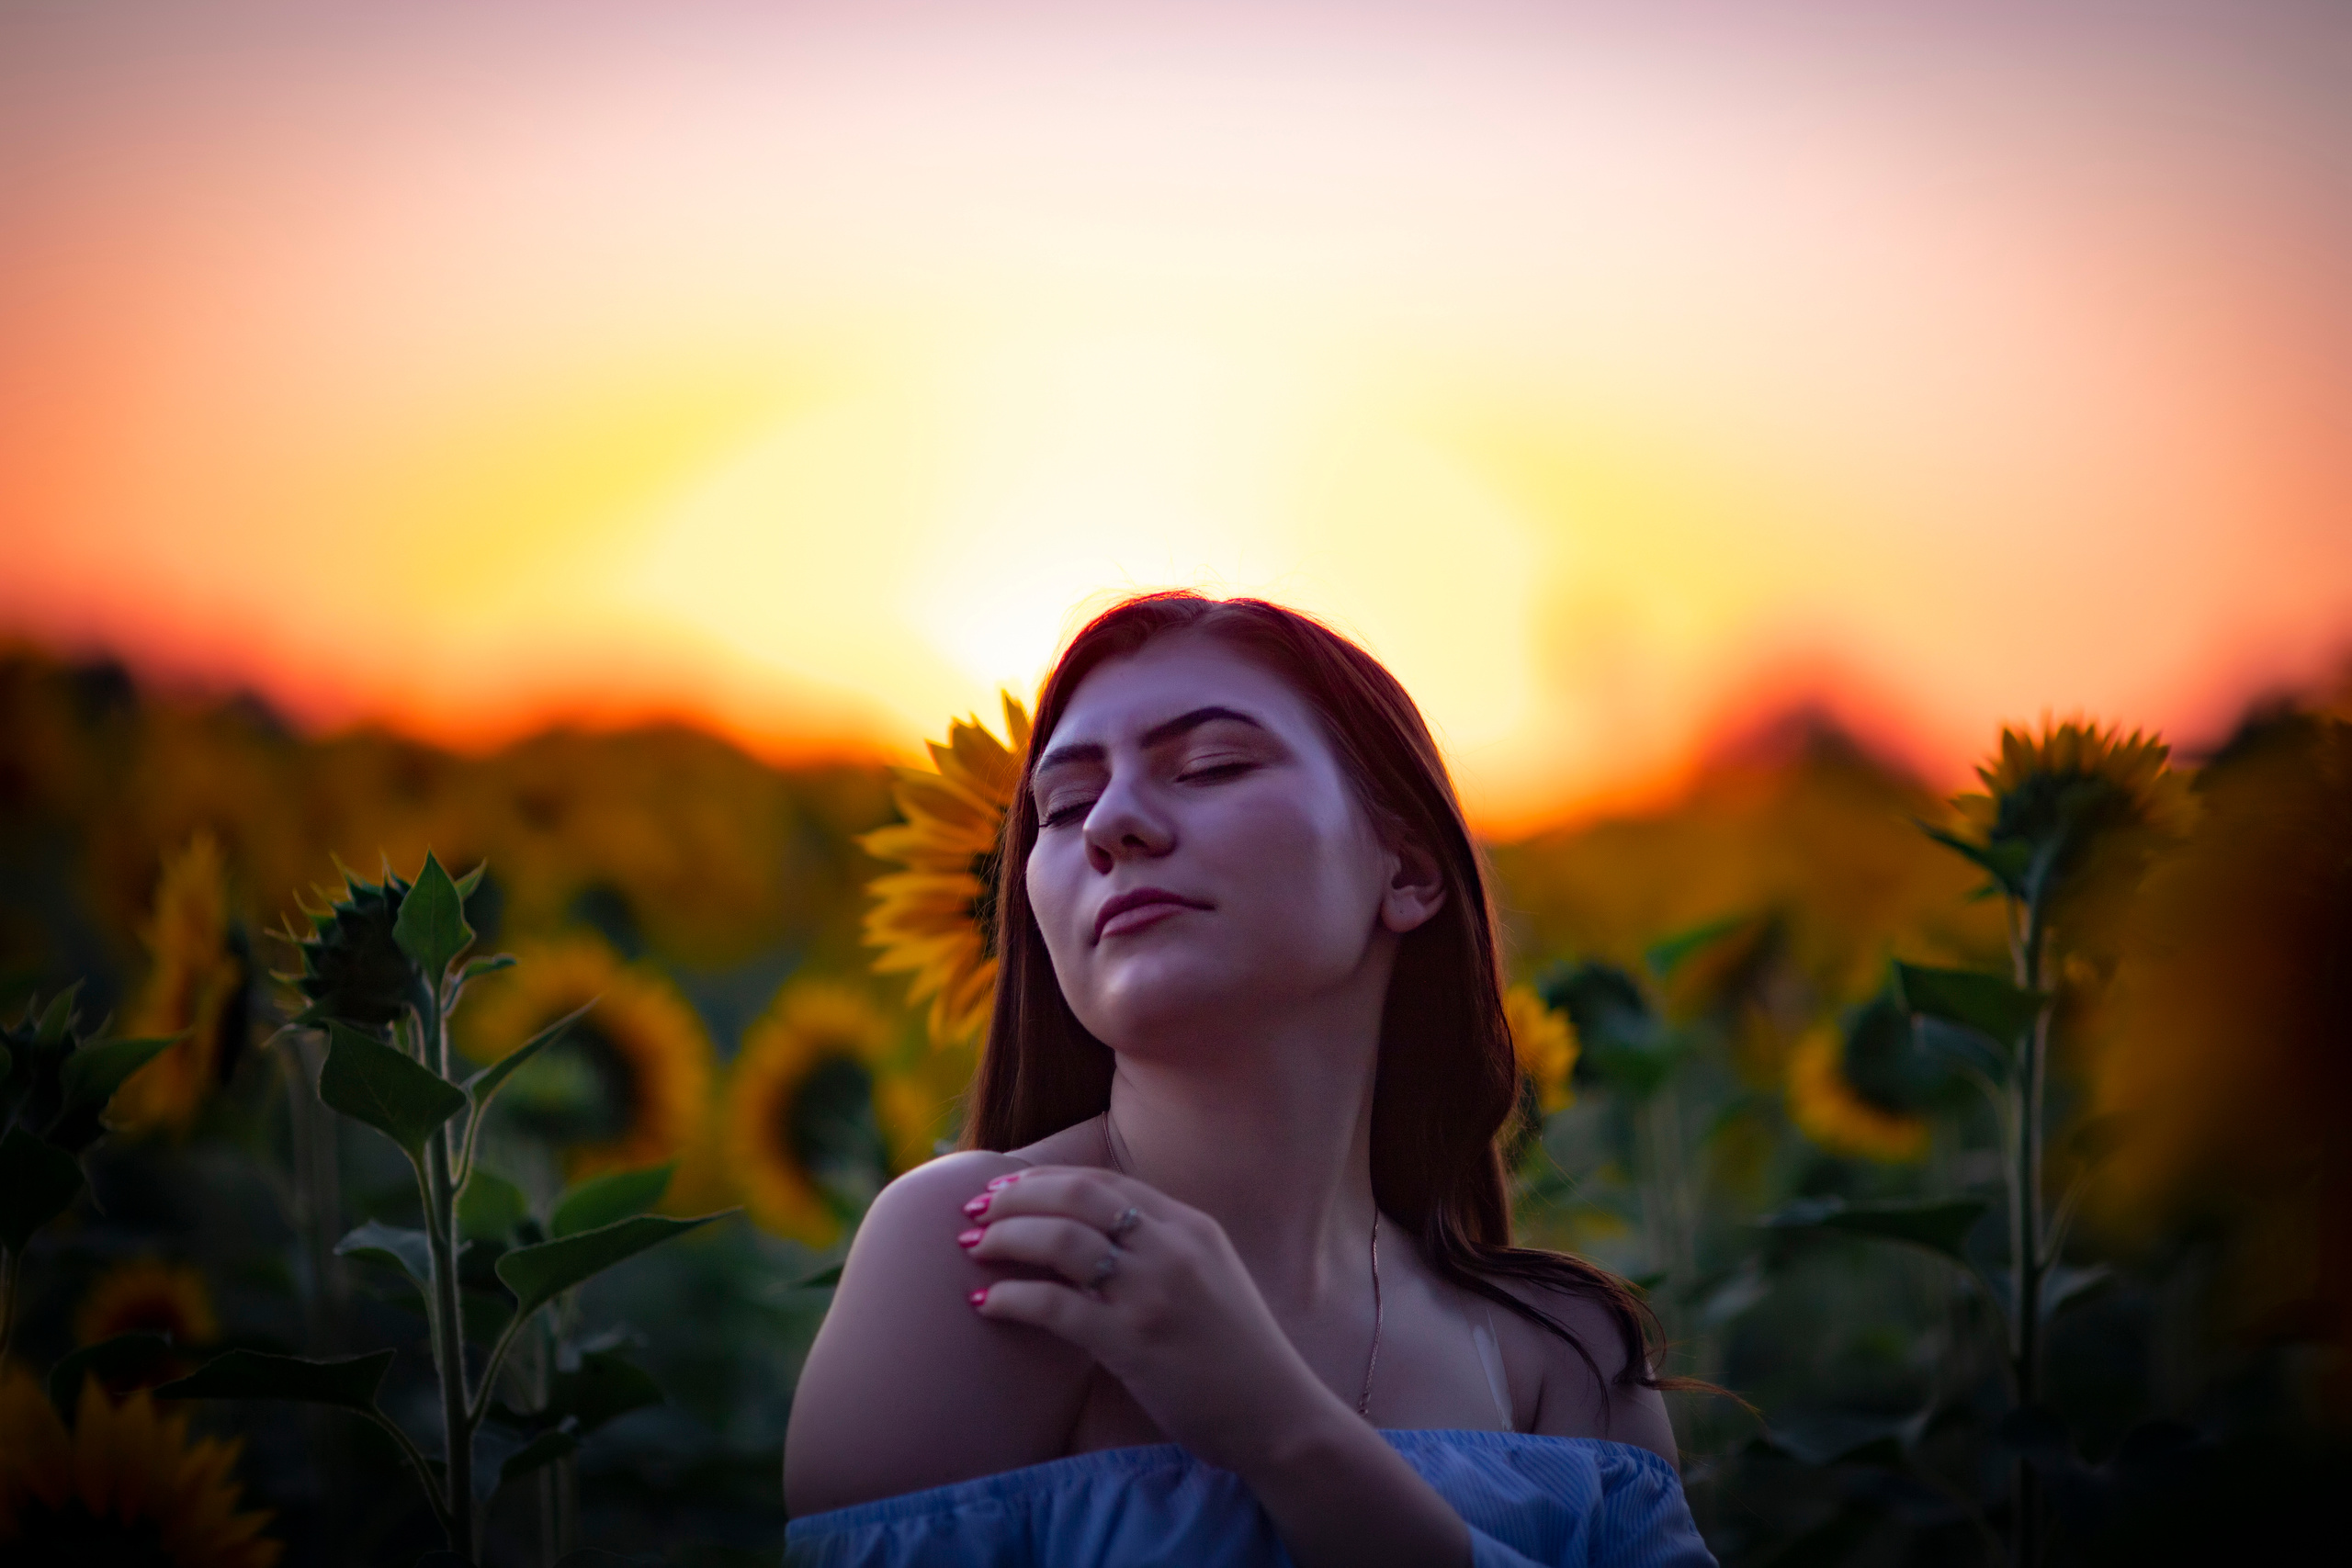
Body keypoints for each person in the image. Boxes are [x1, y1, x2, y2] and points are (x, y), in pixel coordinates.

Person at [785, 592, 1714, 1567]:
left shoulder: (1562, 1356)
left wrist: (1281, 1432)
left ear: (1406, 873)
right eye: (1062, 808)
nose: (1111, 825)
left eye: (1210, 766)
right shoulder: (997, 1256)